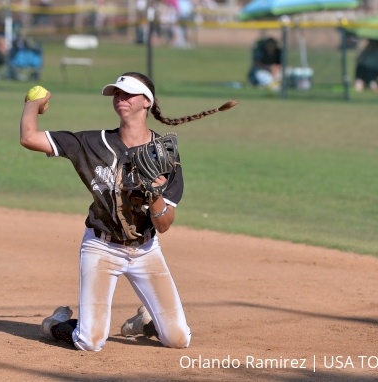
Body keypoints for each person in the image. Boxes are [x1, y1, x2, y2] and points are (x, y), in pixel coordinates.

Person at [19, 72, 236, 351]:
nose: (120, 98)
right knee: (90, 341)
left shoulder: (163, 154)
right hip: (101, 248)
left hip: (145, 251)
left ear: (147, 102)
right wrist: (32, 105)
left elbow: (165, 224)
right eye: (117, 94)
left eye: (128, 93)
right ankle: (55, 324)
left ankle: (144, 323)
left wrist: (155, 195)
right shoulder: (92, 143)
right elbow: (29, 138)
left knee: (179, 339)